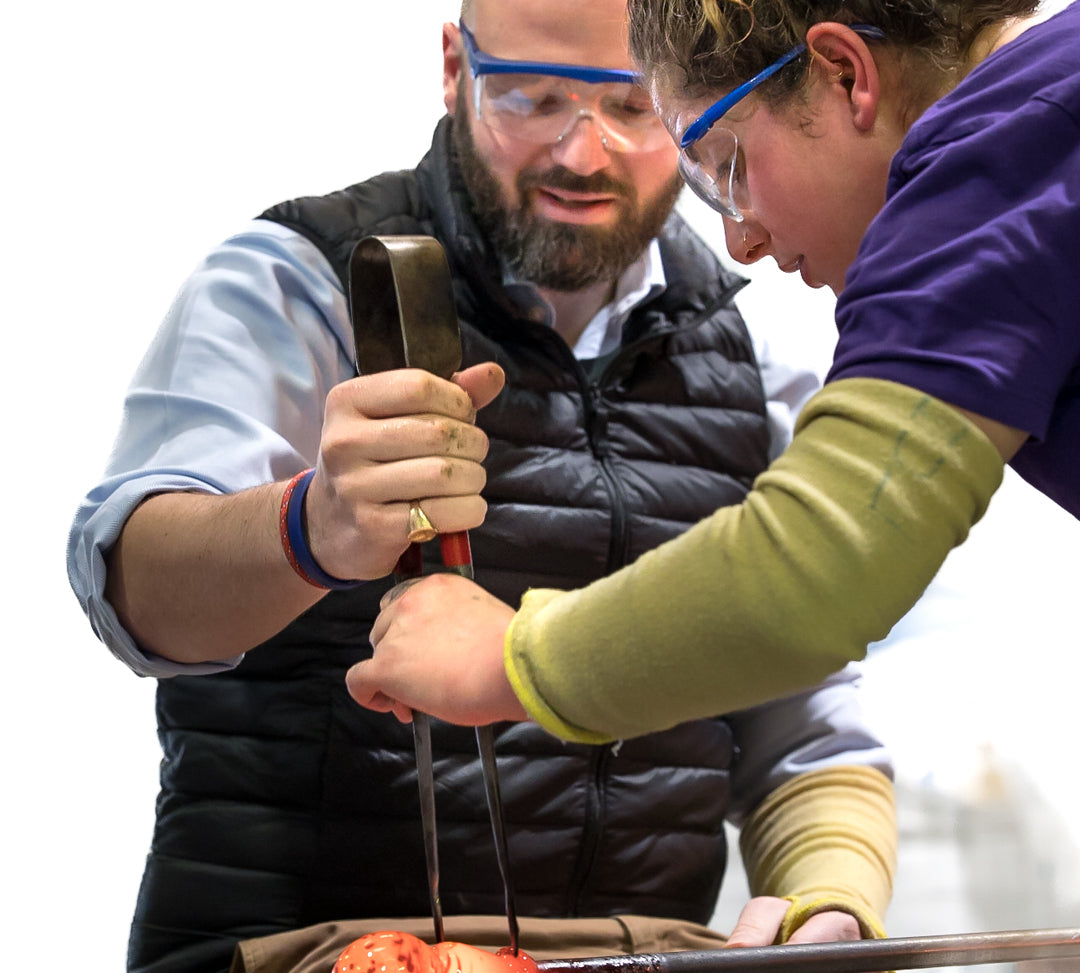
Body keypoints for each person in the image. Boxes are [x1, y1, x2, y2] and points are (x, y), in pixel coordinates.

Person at [67, 0, 896, 973]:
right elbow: (134, 600)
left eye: (636, 108)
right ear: (455, 67)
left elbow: (799, 713)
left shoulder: (753, 355)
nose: (582, 154)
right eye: (532, 98)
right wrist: (312, 527)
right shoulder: (303, 285)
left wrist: (834, 903)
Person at [347, 1, 1077, 749]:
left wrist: (501, 662)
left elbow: (820, 571)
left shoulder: (993, 165)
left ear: (845, 73)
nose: (741, 239)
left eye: (725, 164)